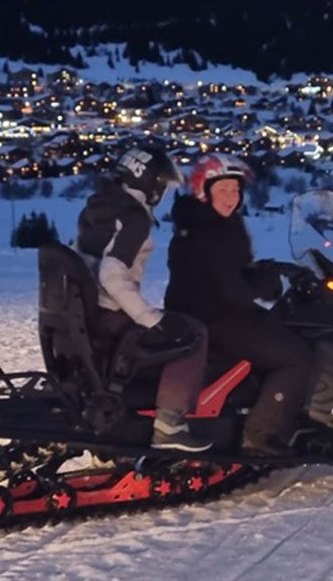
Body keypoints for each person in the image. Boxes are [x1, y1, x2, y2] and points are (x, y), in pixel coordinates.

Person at [165, 153, 314, 456]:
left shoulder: (204, 221)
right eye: (223, 190)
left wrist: (266, 270)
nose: (231, 197)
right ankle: (262, 436)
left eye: (235, 190)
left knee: (278, 328)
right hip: (214, 316)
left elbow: (227, 272)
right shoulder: (210, 231)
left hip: (202, 311)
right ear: (203, 190)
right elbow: (231, 289)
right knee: (297, 355)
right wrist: (267, 284)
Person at [75, 145, 212, 453]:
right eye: (161, 185)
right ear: (150, 185)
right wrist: (150, 318)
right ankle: (170, 424)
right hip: (112, 316)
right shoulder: (134, 218)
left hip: (89, 314)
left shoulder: (100, 206)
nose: (162, 192)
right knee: (192, 334)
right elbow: (111, 272)